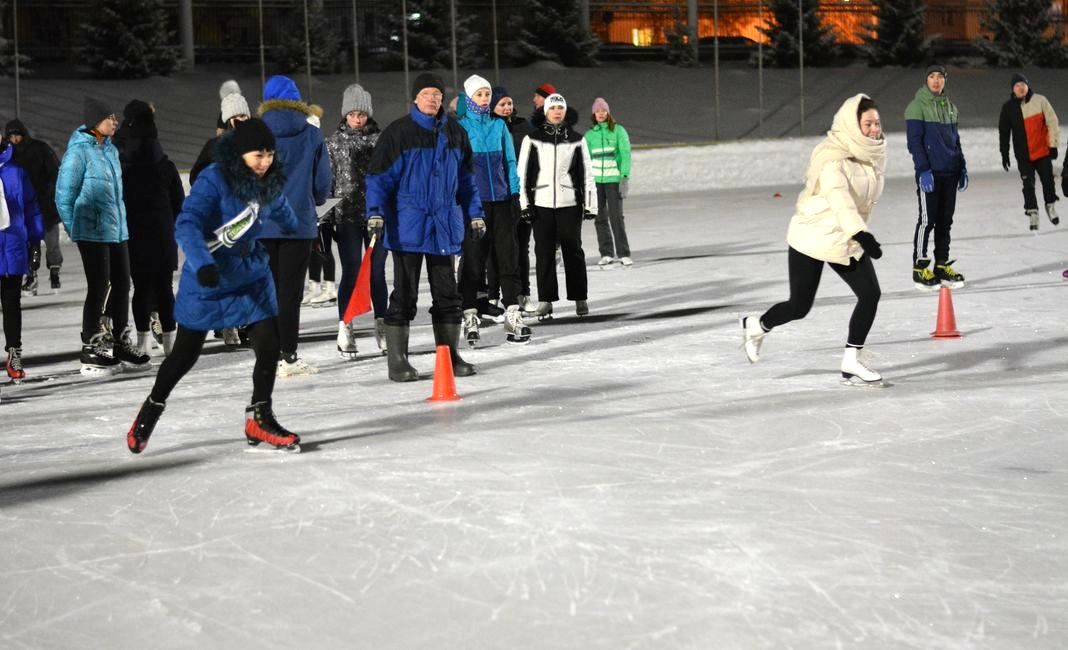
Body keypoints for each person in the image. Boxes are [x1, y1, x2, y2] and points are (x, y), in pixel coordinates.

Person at [125, 118, 302, 454]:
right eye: (257, 155)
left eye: (268, 155)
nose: (264, 162)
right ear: (240, 153)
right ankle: (152, 406)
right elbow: (188, 223)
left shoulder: (265, 180)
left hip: (251, 274)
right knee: (184, 356)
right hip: (210, 276)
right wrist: (203, 263)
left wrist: (294, 224)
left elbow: (278, 206)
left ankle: (259, 418)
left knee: (268, 346)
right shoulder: (214, 179)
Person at [741, 94, 886, 387]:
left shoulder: (871, 154)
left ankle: (851, 361)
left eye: (877, 123)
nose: (874, 129)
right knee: (799, 306)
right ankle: (757, 326)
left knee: (870, 294)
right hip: (813, 235)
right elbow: (839, 198)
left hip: (844, 237)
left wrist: (856, 232)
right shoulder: (833, 157)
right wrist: (861, 233)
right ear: (852, 125)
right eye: (867, 124)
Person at [365, 72, 483, 382]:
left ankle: (449, 354)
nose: (432, 99)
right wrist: (375, 213)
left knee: (448, 294)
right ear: (415, 98)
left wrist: (475, 214)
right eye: (426, 94)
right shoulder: (398, 133)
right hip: (408, 227)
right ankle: (398, 361)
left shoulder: (455, 133)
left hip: (444, 224)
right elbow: (379, 178)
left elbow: (467, 182)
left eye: (437, 94)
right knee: (404, 294)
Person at [56, 97, 150, 375]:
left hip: (116, 230)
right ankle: (91, 344)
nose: (115, 121)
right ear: (96, 121)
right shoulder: (78, 153)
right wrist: (78, 229)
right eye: (110, 117)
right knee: (99, 287)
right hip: (91, 233)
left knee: (122, 284)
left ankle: (119, 339)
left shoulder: (109, 151)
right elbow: (64, 197)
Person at [258, 75, 332, 376]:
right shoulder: (312, 133)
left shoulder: (255, 133)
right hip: (298, 224)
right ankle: (287, 355)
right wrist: (312, 198)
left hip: (262, 225)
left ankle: (267, 354)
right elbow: (322, 184)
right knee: (290, 293)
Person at [455, 74, 530, 346]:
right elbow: (458, 169)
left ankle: (512, 312)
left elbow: (510, 161)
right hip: (475, 204)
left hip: (501, 201)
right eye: (480, 95)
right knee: (474, 260)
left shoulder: (499, 126)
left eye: (487, 94)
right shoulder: (460, 128)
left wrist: (514, 194)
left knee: (508, 256)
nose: (485, 99)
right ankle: (470, 313)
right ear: (469, 98)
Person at [517, 92, 597, 319]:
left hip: (569, 203)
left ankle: (580, 298)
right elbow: (522, 174)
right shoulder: (532, 139)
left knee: (573, 251)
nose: (557, 111)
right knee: (543, 253)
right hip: (541, 204)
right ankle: (546, 300)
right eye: (552, 108)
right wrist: (525, 203)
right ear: (546, 111)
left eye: (560, 108)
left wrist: (590, 204)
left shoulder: (576, 139)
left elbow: (586, 173)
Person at [115, 100, 185, 357]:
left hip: (135, 236)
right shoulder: (165, 166)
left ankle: (143, 342)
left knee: (141, 289)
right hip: (162, 235)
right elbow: (179, 203)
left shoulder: (124, 168)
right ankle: (170, 341)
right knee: (164, 288)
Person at [324, 83, 387, 357]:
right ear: (345, 114)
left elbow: (388, 177)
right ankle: (345, 326)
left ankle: (382, 325)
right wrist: (326, 220)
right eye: (352, 114)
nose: (357, 119)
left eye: (361, 114)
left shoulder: (381, 141)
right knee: (350, 270)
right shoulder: (333, 143)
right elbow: (328, 182)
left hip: (376, 216)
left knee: (376, 273)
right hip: (347, 216)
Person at [905, 64, 967, 291]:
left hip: (950, 172)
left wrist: (962, 167)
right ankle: (920, 267)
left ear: (945, 81)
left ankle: (941, 264)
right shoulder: (916, 106)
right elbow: (915, 142)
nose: (936, 80)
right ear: (926, 80)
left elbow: (955, 141)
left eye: (940, 77)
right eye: (931, 76)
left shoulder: (951, 107)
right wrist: (923, 170)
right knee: (926, 221)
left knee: (945, 222)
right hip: (930, 173)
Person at [0, 139, 45, 380]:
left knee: (11, 303)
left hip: (13, 246)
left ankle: (14, 352)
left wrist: (35, 241)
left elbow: (31, 207)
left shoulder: (16, 172)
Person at [492, 86, 537, 312]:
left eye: (509, 103)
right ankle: (495, 295)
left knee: (521, 246)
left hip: (522, 193)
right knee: (497, 249)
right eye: (502, 104)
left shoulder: (523, 126)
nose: (507, 107)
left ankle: (523, 293)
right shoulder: (489, 127)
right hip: (498, 195)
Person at [4, 120, 61, 294]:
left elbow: (55, 172)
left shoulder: (40, 149)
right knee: (29, 243)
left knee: (51, 242)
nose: (14, 139)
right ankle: (31, 275)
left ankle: (54, 271)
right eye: (11, 136)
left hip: (45, 204)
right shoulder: (9, 154)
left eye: (17, 135)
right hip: (24, 208)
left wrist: (50, 191)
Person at [999, 72, 1061, 231]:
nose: (1020, 88)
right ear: (1013, 89)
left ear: (1027, 85)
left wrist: (1053, 145)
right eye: (1017, 85)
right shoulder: (1008, 108)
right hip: (1024, 155)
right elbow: (1004, 132)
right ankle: (1033, 212)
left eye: (1023, 84)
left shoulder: (1040, 101)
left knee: (1048, 181)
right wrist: (1004, 153)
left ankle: (1050, 205)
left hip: (1042, 151)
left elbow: (1052, 122)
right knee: (1028, 184)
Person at [584, 97, 633, 267]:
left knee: (616, 217)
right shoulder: (589, 135)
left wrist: (624, 177)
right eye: (597, 111)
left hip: (613, 180)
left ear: (608, 112)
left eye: (603, 110)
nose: (601, 114)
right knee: (600, 218)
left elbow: (625, 154)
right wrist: (586, 183)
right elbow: (585, 160)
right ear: (594, 114)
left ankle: (623, 253)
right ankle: (606, 253)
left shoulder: (618, 131)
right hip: (596, 183)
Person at [191, 91, 250, 187]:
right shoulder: (214, 146)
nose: (239, 120)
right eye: (234, 117)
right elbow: (196, 177)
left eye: (242, 116)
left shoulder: (258, 141)